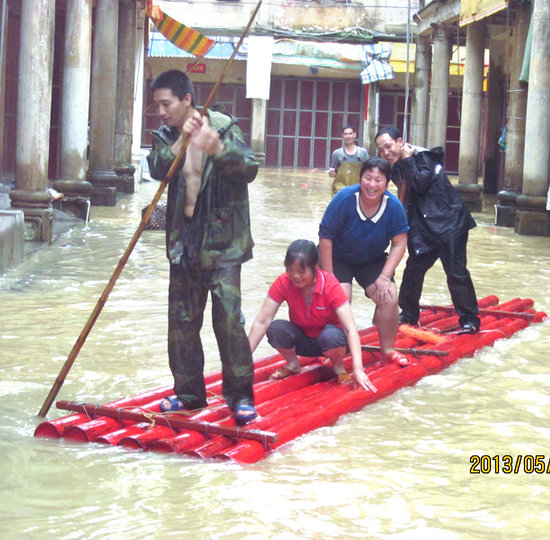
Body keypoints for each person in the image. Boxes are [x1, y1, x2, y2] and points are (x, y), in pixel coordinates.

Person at [146, 69, 259, 426]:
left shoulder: (224, 128)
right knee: (181, 323)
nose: (161, 112)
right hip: (184, 242)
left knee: (228, 323)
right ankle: (189, 394)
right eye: (157, 105)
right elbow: (157, 169)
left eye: (167, 104)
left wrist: (218, 150)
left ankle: (240, 398)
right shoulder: (166, 135)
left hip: (223, 243)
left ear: (187, 101)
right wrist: (181, 143)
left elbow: (250, 169)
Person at [375, 125, 480, 334]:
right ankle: (408, 315)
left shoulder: (423, 157)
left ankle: (469, 320)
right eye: (381, 150)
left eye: (388, 146)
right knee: (414, 270)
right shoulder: (396, 166)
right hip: (425, 230)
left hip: (450, 225)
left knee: (456, 273)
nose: (386, 152)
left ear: (399, 141)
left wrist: (406, 159)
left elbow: (420, 184)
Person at [248, 240, 377, 392]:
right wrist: (243, 361)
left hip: (332, 342)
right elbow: (262, 321)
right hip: (303, 339)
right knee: (276, 329)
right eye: (290, 270)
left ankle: (338, 366)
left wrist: (358, 370)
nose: (295, 276)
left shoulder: (330, 285)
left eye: (302, 271)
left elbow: (350, 330)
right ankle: (292, 363)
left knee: (331, 335)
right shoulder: (283, 282)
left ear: (315, 267)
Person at [319, 157, 410, 366]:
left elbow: (399, 244)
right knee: (340, 297)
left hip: (372, 258)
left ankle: (387, 349)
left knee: (388, 297)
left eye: (379, 180)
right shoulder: (344, 199)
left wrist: (385, 277)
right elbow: (325, 238)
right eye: (368, 178)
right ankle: (335, 350)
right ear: (360, 179)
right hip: (338, 256)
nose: (372, 185)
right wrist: (329, 277)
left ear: (387, 184)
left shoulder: (393, 206)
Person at [328, 126, 370, 194]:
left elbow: (369, 171)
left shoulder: (363, 152)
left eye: (350, 133)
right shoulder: (337, 153)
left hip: (359, 189)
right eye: (345, 134)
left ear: (354, 135)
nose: (348, 136)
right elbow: (334, 173)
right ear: (342, 136)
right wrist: (331, 174)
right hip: (342, 190)